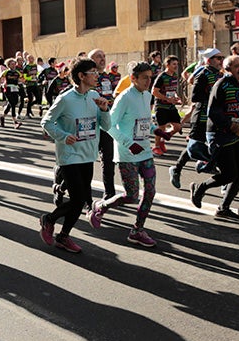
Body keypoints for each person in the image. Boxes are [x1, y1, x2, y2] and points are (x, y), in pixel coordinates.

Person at [87, 62, 163, 247]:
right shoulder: (124, 98)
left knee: (151, 192)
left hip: (145, 152)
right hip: (127, 155)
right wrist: (129, 144)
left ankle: (137, 230)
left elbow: (143, 121)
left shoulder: (146, 95)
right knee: (131, 196)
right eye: (144, 77)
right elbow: (108, 125)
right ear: (133, 78)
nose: (148, 81)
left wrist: (157, 131)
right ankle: (100, 206)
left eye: (150, 77)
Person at [40, 58, 112, 254]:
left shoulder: (95, 96)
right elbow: (46, 122)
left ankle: (63, 236)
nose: (97, 75)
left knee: (79, 200)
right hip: (69, 155)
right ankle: (50, 220)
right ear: (81, 76)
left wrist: (104, 110)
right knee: (79, 198)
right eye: (93, 72)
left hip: (88, 154)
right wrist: (63, 136)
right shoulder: (65, 99)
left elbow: (106, 126)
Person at [189, 54, 239, 219]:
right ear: (228, 69)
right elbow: (212, 112)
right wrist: (231, 125)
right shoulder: (221, 85)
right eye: (236, 66)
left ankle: (224, 208)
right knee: (229, 174)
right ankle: (200, 188)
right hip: (221, 134)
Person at [169, 48, 224, 190]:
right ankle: (178, 169)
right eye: (218, 58)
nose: (221, 61)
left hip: (215, 117)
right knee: (194, 146)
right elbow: (195, 97)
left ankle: (211, 167)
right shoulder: (203, 74)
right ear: (209, 60)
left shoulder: (219, 75)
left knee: (217, 145)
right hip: (201, 116)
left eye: (222, 58)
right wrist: (213, 98)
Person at [89, 49, 119, 200]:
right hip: (89, 123)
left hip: (106, 121)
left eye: (104, 56)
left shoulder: (107, 77)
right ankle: (62, 181)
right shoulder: (87, 77)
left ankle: (109, 192)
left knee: (108, 158)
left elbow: (111, 95)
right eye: (98, 56)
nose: (102, 59)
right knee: (84, 159)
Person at [151, 55, 183, 155]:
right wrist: (167, 99)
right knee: (161, 127)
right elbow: (154, 91)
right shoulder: (161, 76)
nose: (176, 66)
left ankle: (163, 138)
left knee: (177, 126)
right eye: (174, 64)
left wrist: (176, 97)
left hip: (171, 106)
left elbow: (172, 90)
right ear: (167, 65)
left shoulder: (174, 76)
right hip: (161, 106)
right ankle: (156, 146)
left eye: (177, 64)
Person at [0, 58, 22, 128]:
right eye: (12, 64)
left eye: (14, 64)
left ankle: (2, 117)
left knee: (13, 103)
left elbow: (21, 78)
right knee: (12, 105)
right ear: (8, 65)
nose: (14, 65)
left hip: (15, 89)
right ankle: (15, 122)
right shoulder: (6, 72)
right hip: (8, 89)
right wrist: (3, 84)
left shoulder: (17, 72)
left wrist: (20, 82)